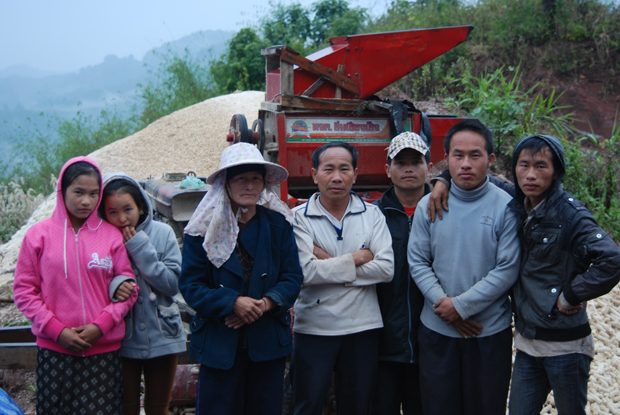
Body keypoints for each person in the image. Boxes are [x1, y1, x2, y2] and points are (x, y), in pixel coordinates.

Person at [179, 142, 303, 415]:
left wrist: (265, 304)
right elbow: (191, 286)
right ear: (226, 183)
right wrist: (233, 302)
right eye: (241, 178)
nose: (249, 185)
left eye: (255, 179)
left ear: (263, 184)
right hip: (219, 343)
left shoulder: (277, 224)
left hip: (267, 341)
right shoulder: (202, 229)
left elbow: (292, 276)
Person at [408, 119, 520, 415]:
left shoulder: (505, 207)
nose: (466, 164)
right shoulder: (427, 206)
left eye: (475, 155)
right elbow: (418, 261)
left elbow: (507, 268)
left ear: (490, 159)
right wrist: (444, 307)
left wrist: (460, 307)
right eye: (458, 155)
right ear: (446, 159)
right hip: (436, 331)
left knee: (486, 407)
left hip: (488, 333)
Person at [14, 156, 138, 415]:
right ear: (62, 190)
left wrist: (100, 326)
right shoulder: (39, 236)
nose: (86, 201)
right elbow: (24, 291)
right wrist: (56, 330)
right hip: (54, 350)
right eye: (78, 192)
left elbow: (129, 289)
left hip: (103, 350)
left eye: (94, 194)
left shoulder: (111, 236)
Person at [505, 135, 620, 415]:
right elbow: (482, 181)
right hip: (528, 344)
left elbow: (612, 259)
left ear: (556, 171)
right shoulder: (523, 205)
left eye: (541, 166)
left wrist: (570, 295)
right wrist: (443, 179)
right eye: (524, 165)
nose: (530, 174)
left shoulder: (570, 214)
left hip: (566, 346)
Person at [291, 141, 394, 415]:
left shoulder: (372, 214)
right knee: (307, 405)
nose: (336, 177)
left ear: (355, 174)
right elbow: (304, 272)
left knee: (358, 407)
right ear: (314, 174)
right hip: (314, 327)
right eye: (328, 169)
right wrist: (357, 258)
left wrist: (324, 260)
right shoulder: (298, 219)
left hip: (363, 328)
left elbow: (386, 269)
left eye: (344, 169)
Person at [99, 173, 186, 415]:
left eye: (127, 209)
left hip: (163, 336)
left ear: (140, 206)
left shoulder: (162, 233)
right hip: (121, 341)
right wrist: (116, 285)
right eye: (112, 212)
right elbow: (94, 283)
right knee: (125, 408)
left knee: (158, 409)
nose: (122, 218)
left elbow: (172, 284)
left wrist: (140, 248)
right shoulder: (101, 240)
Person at [371, 132, 432, 415]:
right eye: (401, 162)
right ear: (388, 169)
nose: (409, 168)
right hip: (382, 342)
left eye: (416, 161)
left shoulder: (445, 210)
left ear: (429, 168)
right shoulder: (372, 217)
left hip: (432, 343)